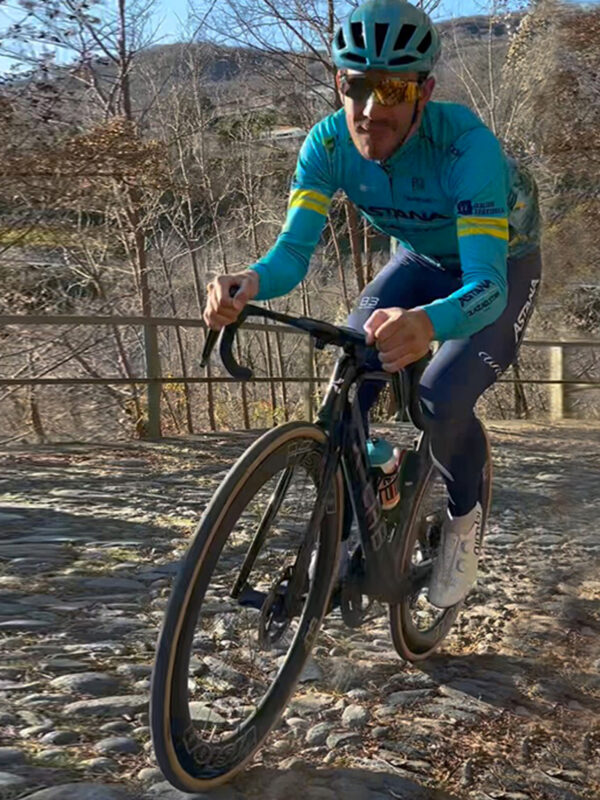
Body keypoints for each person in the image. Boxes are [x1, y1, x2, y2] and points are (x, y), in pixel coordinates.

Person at [203, 0, 541, 608]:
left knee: (439, 399)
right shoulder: (326, 144)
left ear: (424, 92)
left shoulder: (468, 149)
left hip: (499, 267)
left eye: (393, 89)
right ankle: (369, 488)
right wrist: (249, 282)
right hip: (418, 260)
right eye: (357, 86)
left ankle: (462, 525)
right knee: (349, 376)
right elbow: (292, 254)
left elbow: (486, 284)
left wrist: (429, 322)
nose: (370, 108)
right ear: (340, 82)